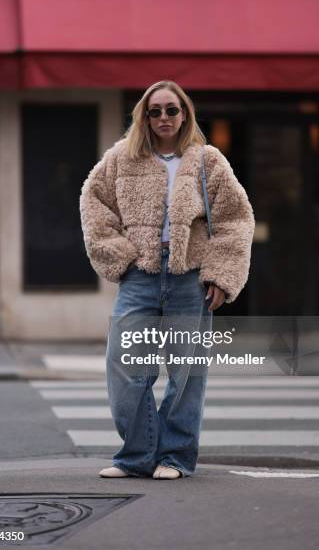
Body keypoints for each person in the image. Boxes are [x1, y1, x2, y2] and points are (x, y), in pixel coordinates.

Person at [79, 80, 255, 479]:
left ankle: (175, 457)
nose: (163, 118)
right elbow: (93, 204)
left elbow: (235, 218)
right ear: (143, 115)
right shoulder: (121, 159)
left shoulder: (208, 161)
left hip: (189, 279)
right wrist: (121, 256)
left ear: (184, 114)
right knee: (124, 365)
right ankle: (137, 456)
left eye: (171, 110)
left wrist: (220, 275)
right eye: (155, 110)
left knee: (186, 372)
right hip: (139, 276)